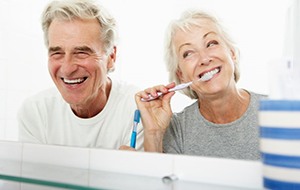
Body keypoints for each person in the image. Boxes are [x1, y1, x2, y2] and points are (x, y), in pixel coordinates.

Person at [134, 9, 266, 160]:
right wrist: (154, 134)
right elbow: (156, 181)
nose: (204, 59)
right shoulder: (177, 130)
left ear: (232, 53)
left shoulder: (277, 111)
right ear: (181, 75)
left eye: (211, 43)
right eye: (188, 53)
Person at [17, 0, 143, 150]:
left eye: (81, 53)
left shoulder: (137, 109)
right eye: (57, 53)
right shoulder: (36, 112)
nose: (67, 68)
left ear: (111, 57)